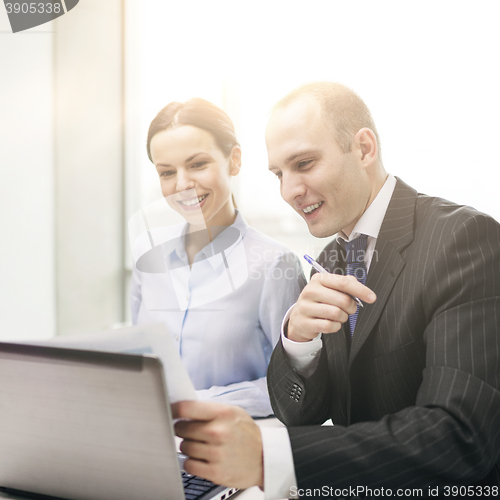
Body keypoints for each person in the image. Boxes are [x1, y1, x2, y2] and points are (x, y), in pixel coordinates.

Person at [173, 83, 500, 498]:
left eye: (304, 163)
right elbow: (299, 412)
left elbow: (459, 438)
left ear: (364, 149)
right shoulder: (331, 259)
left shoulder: (464, 239)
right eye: (279, 174)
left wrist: (268, 457)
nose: (289, 191)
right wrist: (298, 343)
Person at [131, 98, 306, 418]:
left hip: (231, 453)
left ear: (234, 160)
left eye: (197, 164)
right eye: (167, 172)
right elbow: (139, 362)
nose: (182, 184)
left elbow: (298, 387)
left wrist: (193, 405)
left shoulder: (274, 265)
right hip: (152, 446)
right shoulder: (148, 253)